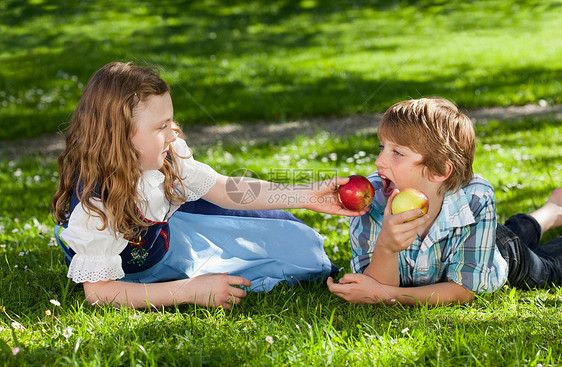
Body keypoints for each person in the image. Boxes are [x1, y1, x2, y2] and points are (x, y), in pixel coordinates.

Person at [52, 61, 364, 310]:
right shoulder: (95, 206)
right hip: (133, 272)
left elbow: (227, 189)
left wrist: (306, 195)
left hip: (173, 243)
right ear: (119, 135)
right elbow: (100, 293)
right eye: (161, 127)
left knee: (300, 249)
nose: (173, 135)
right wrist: (188, 291)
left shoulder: (166, 158)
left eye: (170, 122)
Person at [327, 98, 562, 306]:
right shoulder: (371, 201)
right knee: (512, 233)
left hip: (500, 255)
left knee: (547, 269)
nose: (379, 161)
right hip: (479, 240)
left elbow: (465, 290)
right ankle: (551, 211)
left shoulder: (475, 199)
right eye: (382, 147)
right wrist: (386, 247)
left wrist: (389, 295)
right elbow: (371, 288)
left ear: (439, 171)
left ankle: (551, 212)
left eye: (397, 153)